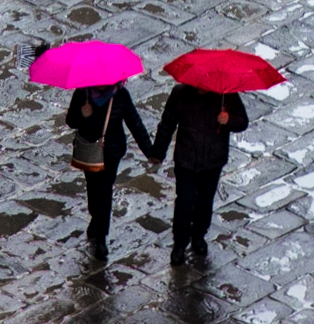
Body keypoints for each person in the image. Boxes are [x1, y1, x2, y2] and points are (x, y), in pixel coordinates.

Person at [149, 84, 248, 266]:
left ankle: (199, 236)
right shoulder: (180, 94)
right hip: (186, 159)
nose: (201, 88)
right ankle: (180, 243)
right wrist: (158, 152)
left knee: (205, 201)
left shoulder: (227, 95)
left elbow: (243, 122)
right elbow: (167, 123)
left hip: (213, 161)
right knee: (184, 202)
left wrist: (229, 120)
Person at [66, 82, 152, 260]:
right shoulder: (83, 93)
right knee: (92, 189)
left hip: (112, 153)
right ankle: (95, 217)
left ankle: (101, 238)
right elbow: (71, 120)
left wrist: (150, 151)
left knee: (104, 191)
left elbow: (134, 122)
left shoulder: (121, 95)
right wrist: (83, 114)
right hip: (89, 152)